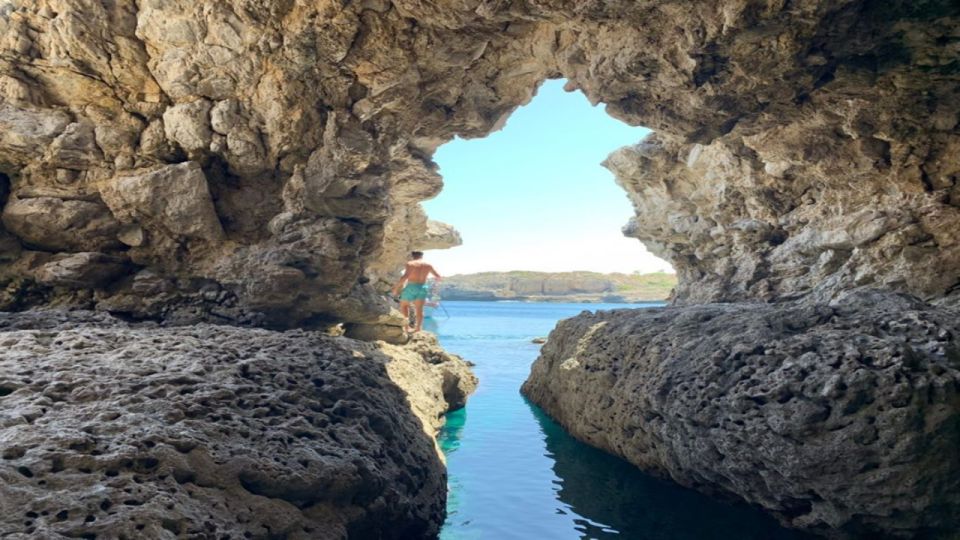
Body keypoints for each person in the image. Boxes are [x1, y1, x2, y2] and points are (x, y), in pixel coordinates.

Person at [392, 251, 441, 333]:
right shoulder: (428, 265)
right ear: (422, 256)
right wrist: (433, 285)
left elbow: (405, 276)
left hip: (412, 285)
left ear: (412, 256)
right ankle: (418, 328)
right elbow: (438, 277)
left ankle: (406, 327)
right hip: (423, 287)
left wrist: (396, 288)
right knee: (419, 309)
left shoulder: (410, 263)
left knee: (404, 305)